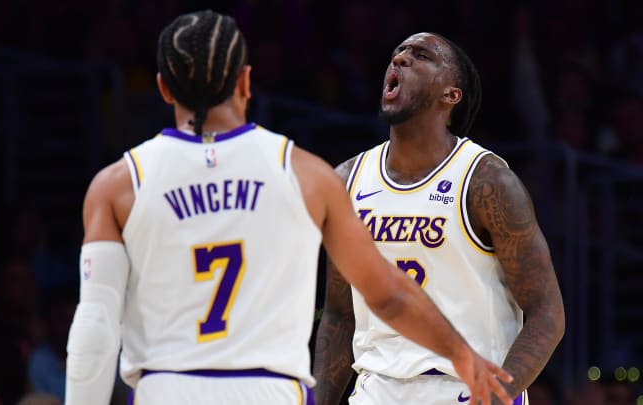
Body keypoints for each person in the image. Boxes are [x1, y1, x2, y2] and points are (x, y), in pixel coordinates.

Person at [64, 12, 515, 405]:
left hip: (166, 388)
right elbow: (387, 294)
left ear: (163, 88)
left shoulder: (117, 185)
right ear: (244, 81)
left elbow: (97, 326)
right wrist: (462, 356)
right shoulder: (308, 175)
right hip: (270, 390)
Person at [312, 32, 566, 405]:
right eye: (397, 53)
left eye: (420, 56)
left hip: (464, 388)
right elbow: (339, 313)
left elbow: (547, 313)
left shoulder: (486, 181)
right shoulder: (347, 180)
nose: (399, 60)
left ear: (451, 94)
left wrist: (498, 396)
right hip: (376, 387)